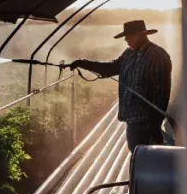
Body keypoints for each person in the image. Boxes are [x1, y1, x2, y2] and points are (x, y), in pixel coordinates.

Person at [68, 20, 172, 150]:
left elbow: (161, 93)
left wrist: (153, 125)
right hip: (132, 121)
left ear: (140, 35)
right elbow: (111, 68)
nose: (126, 40)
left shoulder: (157, 56)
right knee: (137, 156)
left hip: (146, 123)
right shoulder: (129, 54)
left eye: (129, 36)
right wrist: (83, 63)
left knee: (146, 160)